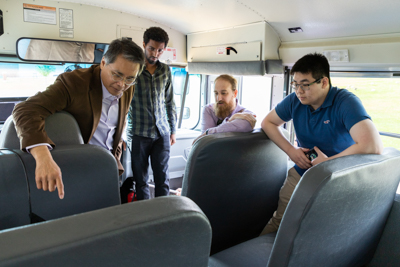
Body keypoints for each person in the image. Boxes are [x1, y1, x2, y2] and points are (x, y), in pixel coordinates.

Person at [260, 53, 383, 235]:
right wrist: (291, 151)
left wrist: (328, 163)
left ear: (324, 82)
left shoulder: (345, 102)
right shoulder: (295, 100)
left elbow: (372, 146)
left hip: (338, 176)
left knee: (319, 230)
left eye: (305, 85)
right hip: (303, 169)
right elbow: (268, 123)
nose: (299, 91)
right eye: (295, 84)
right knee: (280, 220)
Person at [13, 38, 145, 200]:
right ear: (103, 63)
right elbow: (25, 110)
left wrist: (116, 155)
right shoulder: (73, 83)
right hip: (76, 171)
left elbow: (117, 124)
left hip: (107, 170)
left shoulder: (128, 87)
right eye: (116, 75)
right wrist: (43, 157)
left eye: (130, 79)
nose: (121, 84)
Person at [175, 74, 256, 196]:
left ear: (235, 93)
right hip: (212, 162)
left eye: (224, 93)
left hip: (234, 165)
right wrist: (230, 121)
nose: (219, 98)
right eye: (216, 93)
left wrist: (210, 131)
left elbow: (245, 125)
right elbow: (207, 142)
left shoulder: (246, 114)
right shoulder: (209, 109)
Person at [126, 27, 177, 200]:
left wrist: (173, 130)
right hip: (139, 133)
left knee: (163, 179)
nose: (155, 53)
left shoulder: (165, 71)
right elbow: (123, 102)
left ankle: (163, 214)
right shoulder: (133, 69)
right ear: (144, 45)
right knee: (141, 181)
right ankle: (145, 216)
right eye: (152, 48)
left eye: (160, 50)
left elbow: (170, 102)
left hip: (162, 133)